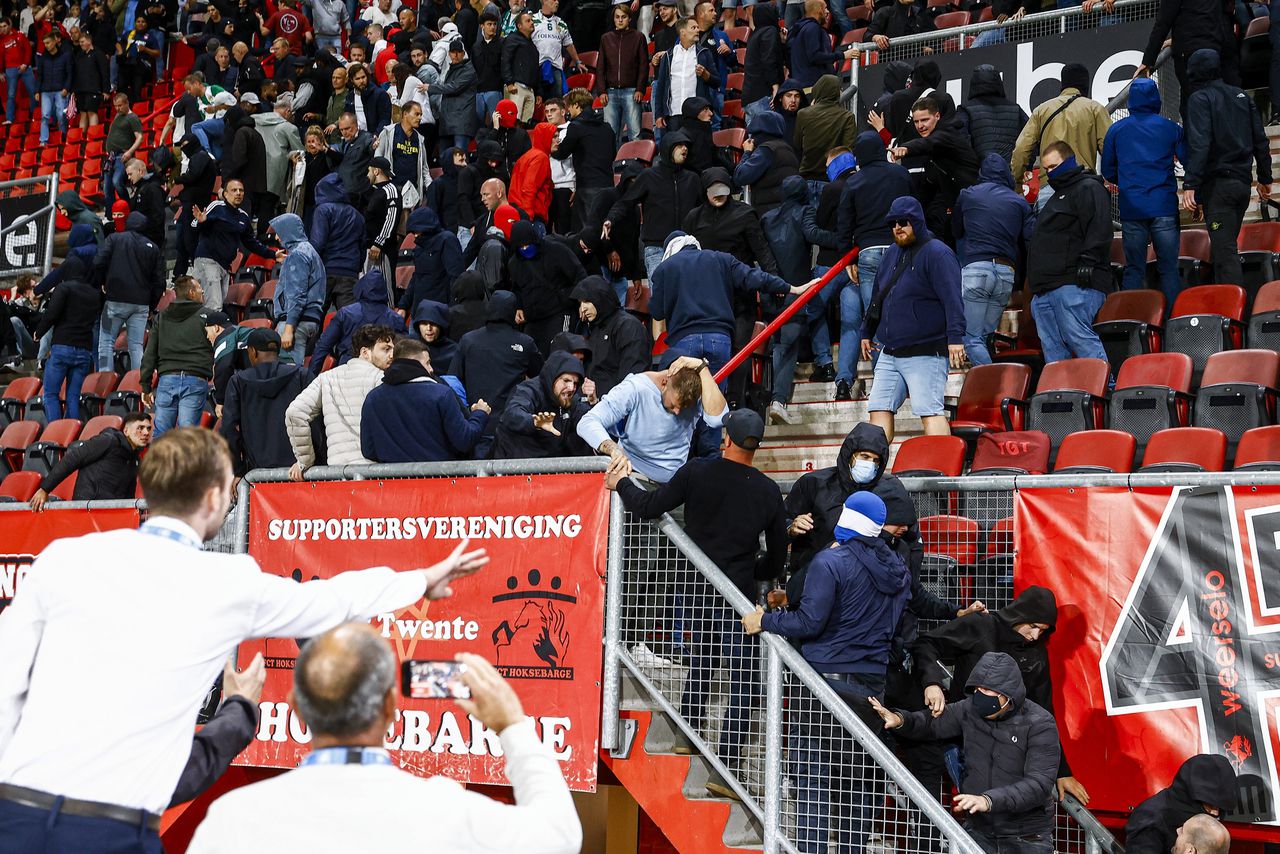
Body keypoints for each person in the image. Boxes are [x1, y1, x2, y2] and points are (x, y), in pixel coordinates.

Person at [0, 427, 489, 852]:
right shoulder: (229, 582)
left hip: (13, 812)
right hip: (110, 830)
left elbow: (7, 681)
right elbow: (333, 601)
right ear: (216, 498)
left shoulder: (63, 559)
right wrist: (421, 580)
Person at [186, 624, 579, 853]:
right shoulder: (447, 811)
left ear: (297, 708)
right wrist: (513, 725)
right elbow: (560, 835)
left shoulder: (234, 819)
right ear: (391, 707)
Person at [614, 408, 786, 798]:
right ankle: (724, 768)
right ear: (755, 447)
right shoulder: (768, 491)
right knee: (743, 681)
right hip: (737, 595)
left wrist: (621, 484)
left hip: (693, 588)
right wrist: (753, 570)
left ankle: (687, 731)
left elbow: (648, 506)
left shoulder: (697, 472)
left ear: (726, 439)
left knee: (703, 659)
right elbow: (776, 559)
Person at [744, 491, 910, 851]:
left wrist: (766, 621)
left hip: (823, 687)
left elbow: (809, 621)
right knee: (858, 784)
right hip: (872, 689)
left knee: (812, 782)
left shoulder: (830, 563)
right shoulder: (899, 569)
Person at [911, 585, 1089, 806]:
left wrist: (1062, 771)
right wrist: (932, 683)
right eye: (1033, 626)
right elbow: (926, 644)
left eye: (1042, 631)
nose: (1035, 636)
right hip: (963, 739)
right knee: (983, 813)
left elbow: (1044, 712)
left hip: (1005, 746)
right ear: (1020, 615)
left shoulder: (1037, 653)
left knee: (996, 813)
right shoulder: (982, 626)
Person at [869, 652, 1062, 854]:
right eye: (978, 688)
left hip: (1026, 837)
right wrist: (900, 720)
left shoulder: (1039, 723)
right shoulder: (969, 709)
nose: (980, 695)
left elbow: (1038, 784)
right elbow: (931, 722)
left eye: (988, 690)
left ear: (1008, 694)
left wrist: (988, 801)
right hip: (979, 831)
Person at [862, 196, 965, 444]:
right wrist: (867, 331)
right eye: (893, 223)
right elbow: (878, 295)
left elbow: (952, 298)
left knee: (930, 412)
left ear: (917, 221)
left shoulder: (938, 253)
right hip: (890, 350)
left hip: (926, 349)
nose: (898, 227)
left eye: (904, 222)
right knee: (878, 409)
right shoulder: (890, 254)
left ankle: (943, 475)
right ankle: (875, 472)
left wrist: (955, 338)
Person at [652, 231, 808, 380]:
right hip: (719, 338)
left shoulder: (665, 268)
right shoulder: (721, 259)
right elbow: (754, 277)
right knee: (715, 399)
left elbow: (657, 312)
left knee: (687, 400)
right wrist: (791, 288)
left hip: (684, 340)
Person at [1182, 48, 1272, 288]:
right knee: (1226, 248)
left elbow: (1200, 143)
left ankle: (1233, 314)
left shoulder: (1199, 99)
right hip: (1242, 186)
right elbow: (1260, 139)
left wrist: (1191, 185)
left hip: (1219, 188)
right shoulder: (1241, 96)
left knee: (1224, 254)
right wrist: (1265, 177)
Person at [835, 132, 912, 400]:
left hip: (867, 253)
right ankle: (906, 378)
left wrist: (848, 257)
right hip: (899, 250)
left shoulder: (853, 182)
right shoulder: (901, 176)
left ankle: (883, 384)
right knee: (903, 312)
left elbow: (844, 224)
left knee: (875, 317)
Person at [1101, 77, 1185, 308]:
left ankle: (1133, 319)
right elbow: (1188, 160)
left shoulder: (1116, 130)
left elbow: (1108, 171)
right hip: (1164, 206)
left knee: (1134, 268)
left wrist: (1127, 183)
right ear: (1156, 98)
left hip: (1132, 207)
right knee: (1168, 268)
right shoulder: (1171, 128)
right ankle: (1172, 321)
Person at [1026, 141, 1113, 365]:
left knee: (1080, 339)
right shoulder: (1057, 197)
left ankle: (1103, 390)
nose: (1050, 173)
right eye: (1046, 169)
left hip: (1075, 283)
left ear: (1069, 161)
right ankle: (1061, 396)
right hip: (1046, 288)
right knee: (1053, 349)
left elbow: (1100, 227)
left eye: (1054, 166)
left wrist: (1088, 261)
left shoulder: (1089, 188)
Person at [577, 355, 727, 484]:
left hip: (672, 484)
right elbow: (587, 422)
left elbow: (717, 419)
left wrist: (702, 367)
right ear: (664, 383)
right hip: (633, 475)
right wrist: (613, 450)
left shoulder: (693, 394)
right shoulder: (636, 387)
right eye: (674, 404)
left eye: (684, 407)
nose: (677, 412)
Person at [953, 153, 1035, 366]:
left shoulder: (968, 194)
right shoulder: (1019, 202)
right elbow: (1029, 241)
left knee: (971, 339)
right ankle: (995, 384)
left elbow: (955, 229)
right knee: (986, 337)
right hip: (1006, 273)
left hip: (976, 271)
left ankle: (992, 381)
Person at [286, 323, 396, 473]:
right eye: (386, 349)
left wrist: (304, 461)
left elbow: (295, 412)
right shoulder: (382, 379)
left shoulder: (326, 378)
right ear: (365, 352)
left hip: (337, 474)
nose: (392, 355)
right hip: (375, 474)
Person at [361, 337, 491, 463]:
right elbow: (464, 441)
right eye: (428, 363)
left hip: (391, 482)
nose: (431, 369)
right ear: (414, 363)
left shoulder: (373, 398)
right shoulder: (441, 394)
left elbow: (368, 450)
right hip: (438, 480)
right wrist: (480, 414)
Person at [603, 132, 703, 281]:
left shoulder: (693, 179)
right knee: (660, 297)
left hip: (686, 247)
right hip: (657, 248)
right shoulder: (649, 176)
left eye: (687, 146)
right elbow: (626, 202)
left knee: (686, 295)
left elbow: (702, 210)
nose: (685, 149)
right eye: (680, 145)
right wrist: (611, 219)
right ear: (668, 148)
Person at [1010, 64, 1111, 207]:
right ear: (1085, 85)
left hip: (1050, 187)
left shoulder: (1041, 110)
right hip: (1085, 186)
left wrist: (1018, 184)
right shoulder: (1095, 109)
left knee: (1048, 229)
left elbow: (1021, 149)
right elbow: (1110, 149)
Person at [891, 96, 981, 243]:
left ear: (937, 116)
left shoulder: (946, 134)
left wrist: (907, 148)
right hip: (959, 210)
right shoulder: (934, 149)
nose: (920, 126)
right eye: (916, 122)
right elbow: (929, 186)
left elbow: (928, 143)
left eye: (925, 120)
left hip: (972, 208)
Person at [220, 327, 306, 476]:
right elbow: (316, 422)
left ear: (252, 352)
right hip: (297, 473)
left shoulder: (237, 382)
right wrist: (309, 462)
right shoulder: (302, 375)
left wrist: (238, 471)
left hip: (255, 474)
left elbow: (229, 428)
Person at [29, 411, 152, 511]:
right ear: (126, 431)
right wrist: (45, 489)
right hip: (87, 510)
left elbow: (129, 492)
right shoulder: (108, 441)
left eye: (148, 428)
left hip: (111, 514)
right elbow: (73, 459)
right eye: (140, 428)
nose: (146, 433)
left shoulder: (135, 458)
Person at [139, 276, 215, 437]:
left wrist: (145, 386)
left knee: (161, 434)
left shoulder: (161, 317)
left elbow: (149, 352)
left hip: (167, 380)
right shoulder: (208, 316)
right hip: (195, 379)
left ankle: (160, 463)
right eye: (199, 288)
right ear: (192, 293)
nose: (203, 291)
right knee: (187, 435)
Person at [191, 179, 283, 312]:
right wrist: (201, 222)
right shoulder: (217, 207)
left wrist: (273, 254)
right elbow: (194, 226)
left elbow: (251, 243)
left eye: (241, 190)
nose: (238, 193)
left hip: (225, 266)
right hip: (208, 261)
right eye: (234, 190)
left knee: (216, 306)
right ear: (225, 194)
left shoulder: (243, 217)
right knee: (214, 307)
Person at [93, 211, 166, 373]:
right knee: (136, 346)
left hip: (114, 300)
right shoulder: (152, 247)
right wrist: (151, 305)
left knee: (106, 342)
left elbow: (98, 262)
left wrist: (103, 282)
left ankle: (105, 380)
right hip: (141, 304)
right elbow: (160, 282)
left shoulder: (114, 238)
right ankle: (138, 385)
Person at [1140, 0, 1237, 118]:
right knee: (1212, 102)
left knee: (1194, 108)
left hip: (1190, 53)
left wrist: (1148, 60)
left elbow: (1163, 22)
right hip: (1214, 47)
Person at [33, 255, 100, 422]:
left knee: (50, 394)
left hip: (63, 346)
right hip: (84, 350)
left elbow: (51, 314)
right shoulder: (94, 293)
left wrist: (39, 332)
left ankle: (57, 435)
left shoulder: (64, 288)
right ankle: (72, 434)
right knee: (73, 397)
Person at [1125, 756, 1238, 854]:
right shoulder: (1151, 820)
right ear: (1192, 795)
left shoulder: (1199, 817)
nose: (1215, 813)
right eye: (1210, 804)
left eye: (1221, 807)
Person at [493, 350, 594, 458]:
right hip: (514, 466)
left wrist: (594, 402)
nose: (571, 388)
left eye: (575, 383)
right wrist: (535, 422)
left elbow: (591, 417)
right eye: (566, 380)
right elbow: (513, 413)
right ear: (553, 377)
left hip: (549, 467)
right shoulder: (529, 390)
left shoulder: (570, 400)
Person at [508, 219, 587, 356]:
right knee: (531, 357)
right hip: (532, 319)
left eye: (528, 245)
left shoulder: (557, 251)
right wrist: (519, 307)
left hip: (560, 312)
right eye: (522, 247)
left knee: (560, 352)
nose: (526, 249)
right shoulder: (514, 263)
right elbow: (516, 288)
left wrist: (581, 301)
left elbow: (580, 276)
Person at [312, 270, 408, 371]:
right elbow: (405, 350)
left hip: (348, 369)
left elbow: (323, 346)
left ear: (361, 287)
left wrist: (311, 377)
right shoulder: (395, 318)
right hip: (383, 372)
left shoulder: (345, 313)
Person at [570, 276, 649, 397]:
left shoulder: (628, 326)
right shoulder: (593, 328)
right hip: (592, 403)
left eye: (587, 301)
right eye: (580, 304)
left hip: (618, 405)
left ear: (600, 298)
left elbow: (632, 379)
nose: (583, 309)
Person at [267, 214, 326, 366]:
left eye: (280, 232)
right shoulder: (308, 251)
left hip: (296, 322)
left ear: (288, 230)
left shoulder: (298, 255)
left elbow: (297, 295)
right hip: (307, 319)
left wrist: (288, 328)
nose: (277, 238)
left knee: (289, 375)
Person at [554, 89, 615, 226]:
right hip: (608, 185)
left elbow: (562, 153)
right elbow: (613, 154)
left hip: (588, 188)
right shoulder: (607, 127)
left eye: (569, 106)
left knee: (589, 233)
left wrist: (551, 148)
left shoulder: (575, 127)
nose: (568, 110)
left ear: (576, 105)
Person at [651, 17, 719, 137]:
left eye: (698, 27)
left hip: (697, 114)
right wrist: (659, 114)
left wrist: (706, 75)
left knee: (698, 152)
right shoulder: (668, 55)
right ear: (682, 32)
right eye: (693, 28)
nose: (697, 30)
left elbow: (716, 82)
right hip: (673, 115)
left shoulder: (704, 53)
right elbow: (660, 87)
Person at [311, 174, 367, 311]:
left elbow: (318, 242)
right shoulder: (358, 215)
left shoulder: (323, 210)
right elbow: (363, 246)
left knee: (313, 319)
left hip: (326, 271)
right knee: (350, 320)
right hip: (350, 273)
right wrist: (356, 268)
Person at [595, 3, 648, 144]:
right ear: (613, 19)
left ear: (629, 19)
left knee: (635, 134)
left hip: (632, 92)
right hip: (610, 93)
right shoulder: (606, 38)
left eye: (623, 17)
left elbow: (644, 66)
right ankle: (611, 166)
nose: (620, 20)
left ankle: (635, 165)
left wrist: (640, 89)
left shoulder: (639, 37)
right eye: (617, 17)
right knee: (610, 136)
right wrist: (601, 91)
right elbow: (600, 67)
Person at [733, 110, 801, 216]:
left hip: (769, 214)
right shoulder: (787, 148)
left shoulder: (766, 150)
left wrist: (747, 152)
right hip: (787, 212)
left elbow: (740, 176)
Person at [956, 64, 1027, 163]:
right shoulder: (1015, 108)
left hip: (981, 173)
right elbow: (1029, 138)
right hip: (1009, 173)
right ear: (998, 82)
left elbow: (962, 142)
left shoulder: (965, 109)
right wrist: (1026, 166)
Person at [252, 93, 304, 226]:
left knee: (251, 209)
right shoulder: (289, 128)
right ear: (287, 111)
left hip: (253, 172)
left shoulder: (254, 121)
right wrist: (290, 155)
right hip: (274, 176)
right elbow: (300, 153)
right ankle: (265, 241)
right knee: (267, 210)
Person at [795, 75, 857, 183]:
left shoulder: (803, 114)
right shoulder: (847, 117)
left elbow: (797, 144)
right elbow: (848, 149)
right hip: (833, 179)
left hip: (807, 178)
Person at [401, 207, 464, 311]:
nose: (415, 235)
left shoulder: (447, 240)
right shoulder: (419, 246)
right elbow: (416, 277)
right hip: (418, 311)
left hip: (439, 312)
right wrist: (403, 305)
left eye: (417, 231)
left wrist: (453, 309)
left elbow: (456, 277)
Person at [787, 0, 857, 90]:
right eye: (825, 8)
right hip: (814, 87)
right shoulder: (812, 28)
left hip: (804, 86)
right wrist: (843, 55)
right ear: (819, 10)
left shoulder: (799, 30)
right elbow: (815, 56)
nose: (828, 11)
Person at [741, 5, 785, 128]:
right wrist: (775, 86)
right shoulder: (770, 31)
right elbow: (769, 60)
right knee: (767, 139)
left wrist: (782, 42)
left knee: (754, 142)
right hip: (763, 95)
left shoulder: (755, 35)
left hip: (749, 97)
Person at [363, 157, 402, 288]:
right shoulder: (375, 190)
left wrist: (379, 243)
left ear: (376, 171)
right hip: (371, 246)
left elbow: (391, 218)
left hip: (382, 249)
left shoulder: (391, 190)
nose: (367, 175)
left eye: (369, 171)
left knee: (384, 288)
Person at [435, 40, 481, 151]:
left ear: (463, 53)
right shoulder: (449, 69)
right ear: (449, 53)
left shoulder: (469, 70)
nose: (455, 55)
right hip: (447, 122)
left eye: (458, 52)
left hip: (461, 123)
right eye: (453, 52)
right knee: (444, 159)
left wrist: (430, 88)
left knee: (460, 158)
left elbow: (453, 87)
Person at [509, 122, 556, 226]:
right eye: (554, 137)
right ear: (545, 137)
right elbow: (529, 187)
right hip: (532, 216)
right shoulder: (540, 157)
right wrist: (528, 217)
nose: (558, 140)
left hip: (521, 211)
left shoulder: (529, 155)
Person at [531, 0, 579, 99]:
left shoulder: (561, 23)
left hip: (555, 68)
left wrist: (578, 61)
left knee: (557, 101)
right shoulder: (531, 20)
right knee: (536, 102)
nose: (557, 2)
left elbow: (569, 44)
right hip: (536, 68)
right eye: (553, 0)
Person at [501, 11, 540, 124]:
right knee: (512, 121)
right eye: (528, 21)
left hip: (530, 90)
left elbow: (536, 70)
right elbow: (505, 60)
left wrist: (538, 92)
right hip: (516, 87)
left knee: (526, 124)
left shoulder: (532, 45)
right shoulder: (512, 39)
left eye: (532, 20)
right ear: (519, 25)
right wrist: (509, 82)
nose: (532, 23)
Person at [123, 157, 167, 248]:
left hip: (150, 239)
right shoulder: (140, 188)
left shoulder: (152, 188)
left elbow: (158, 216)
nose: (129, 178)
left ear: (140, 171)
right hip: (141, 236)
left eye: (130, 174)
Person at [33, 32, 68, 145]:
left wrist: (66, 88)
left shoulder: (64, 56)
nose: (46, 45)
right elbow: (40, 75)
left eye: (48, 43)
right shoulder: (43, 58)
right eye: (44, 43)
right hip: (46, 91)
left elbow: (69, 73)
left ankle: (62, 136)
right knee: (45, 115)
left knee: (61, 115)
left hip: (60, 90)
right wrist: (37, 91)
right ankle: (43, 140)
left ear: (54, 42)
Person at [1, 18, 37, 127]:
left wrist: (25, 64)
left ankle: (33, 114)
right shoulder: (0, 40)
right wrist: (0, 72)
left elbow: (28, 50)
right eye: (0, 27)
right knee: (11, 95)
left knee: (33, 92)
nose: (2, 29)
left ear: (9, 25)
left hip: (25, 67)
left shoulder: (20, 35)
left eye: (4, 26)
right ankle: (9, 119)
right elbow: (0, 57)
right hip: (10, 69)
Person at [335, 112, 376, 202]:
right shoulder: (344, 142)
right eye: (341, 130)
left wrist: (374, 145)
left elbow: (372, 147)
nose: (344, 132)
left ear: (356, 125)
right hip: (344, 192)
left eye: (347, 128)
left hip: (359, 194)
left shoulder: (366, 138)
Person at [411, 300, 459, 375]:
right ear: (418, 325)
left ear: (441, 325)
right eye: (424, 323)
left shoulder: (454, 351)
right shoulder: (408, 345)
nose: (429, 328)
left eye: (433, 323)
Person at [474, 11, 505, 125]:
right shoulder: (476, 46)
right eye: (489, 24)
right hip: (479, 91)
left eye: (494, 24)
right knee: (478, 123)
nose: (492, 27)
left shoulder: (502, 43)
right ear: (482, 26)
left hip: (495, 90)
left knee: (496, 123)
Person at [865, 0, 934, 49]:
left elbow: (935, 37)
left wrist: (930, 49)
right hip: (891, 61)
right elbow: (867, 36)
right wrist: (876, 37)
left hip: (916, 61)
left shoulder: (920, 15)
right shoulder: (885, 12)